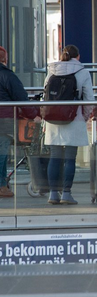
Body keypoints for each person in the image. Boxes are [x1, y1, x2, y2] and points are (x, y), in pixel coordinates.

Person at [43, 45, 94, 205]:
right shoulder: (83, 72)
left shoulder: (52, 71)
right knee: (70, 159)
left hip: (53, 119)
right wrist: (84, 117)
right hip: (74, 118)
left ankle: (53, 194)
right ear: (77, 57)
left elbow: (45, 95)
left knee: (55, 157)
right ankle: (66, 194)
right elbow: (89, 99)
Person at [0, 46, 33, 198]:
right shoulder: (7, 75)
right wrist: (33, 114)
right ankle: (1, 186)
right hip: (4, 120)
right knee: (2, 152)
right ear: (4, 59)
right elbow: (21, 97)